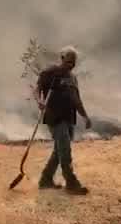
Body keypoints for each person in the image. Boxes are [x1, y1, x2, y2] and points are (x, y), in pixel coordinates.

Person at [34, 46, 92, 195]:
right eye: (68, 62)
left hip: (68, 117)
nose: (71, 65)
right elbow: (37, 88)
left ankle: (45, 180)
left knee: (58, 151)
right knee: (65, 150)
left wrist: (85, 116)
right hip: (54, 117)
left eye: (73, 62)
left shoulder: (72, 78)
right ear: (61, 59)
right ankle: (71, 183)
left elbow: (76, 99)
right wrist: (39, 101)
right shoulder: (50, 73)